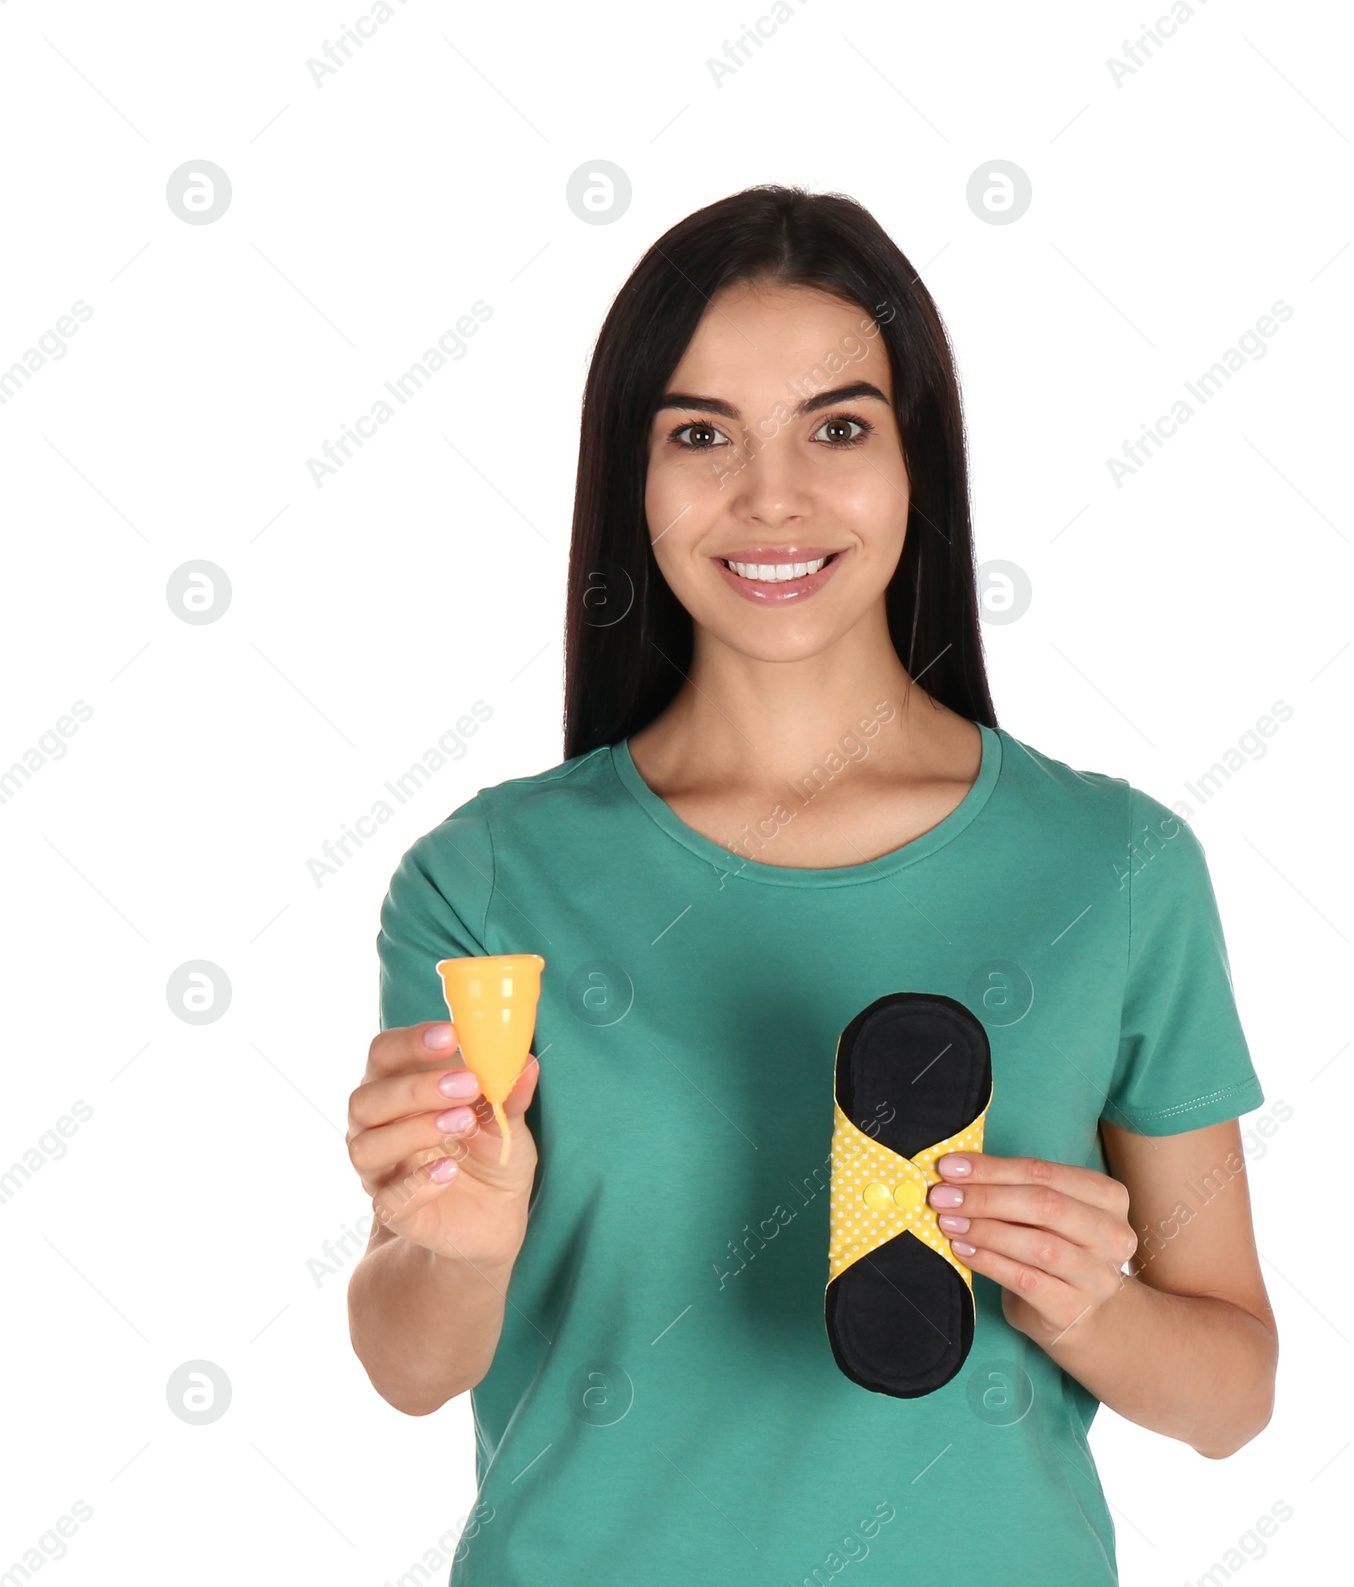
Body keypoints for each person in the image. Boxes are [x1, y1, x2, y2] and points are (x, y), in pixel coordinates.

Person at [345, 184, 1277, 1585]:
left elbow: (1234, 1389)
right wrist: (465, 1253)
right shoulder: (488, 880)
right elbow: (411, 1368)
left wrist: (1090, 1307)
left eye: (838, 427)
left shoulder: (1118, 867)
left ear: (921, 465)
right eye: (700, 434)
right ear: (631, 477)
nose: (770, 495)